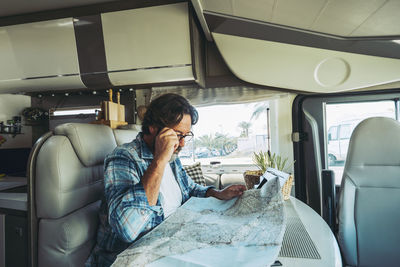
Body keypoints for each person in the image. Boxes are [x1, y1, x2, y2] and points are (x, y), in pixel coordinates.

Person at [86, 93, 246, 267]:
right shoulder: (123, 158)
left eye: (186, 135)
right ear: (154, 128)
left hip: (171, 244)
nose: (183, 144)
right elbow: (128, 230)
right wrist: (159, 161)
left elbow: (189, 189)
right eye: (178, 135)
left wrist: (216, 193)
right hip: (133, 257)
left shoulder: (173, 158)